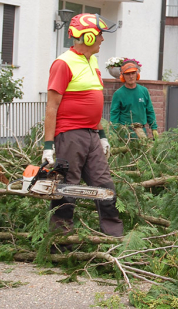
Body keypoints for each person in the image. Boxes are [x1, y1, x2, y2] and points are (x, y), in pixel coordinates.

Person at [42, 13, 123, 237]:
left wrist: (102, 134)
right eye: (99, 35)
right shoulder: (63, 63)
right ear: (87, 37)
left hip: (91, 135)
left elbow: (92, 104)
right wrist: (48, 145)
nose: (102, 40)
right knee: (67, 188)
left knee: (105, 186)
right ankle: (60, 240)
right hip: (70, 135)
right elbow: (51, 106)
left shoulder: (92, 61)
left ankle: (114, 238)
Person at [110, 59, 158, 139]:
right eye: (128, 74)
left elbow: (150, 111)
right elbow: (114, 116)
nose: (131, 76)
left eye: (133, 73)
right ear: (123, 76)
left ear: (137, 74)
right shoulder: (118, 94)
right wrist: (114, 134)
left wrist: (154, 128)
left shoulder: (144, 91)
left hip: (141, 132)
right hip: (125, 133)